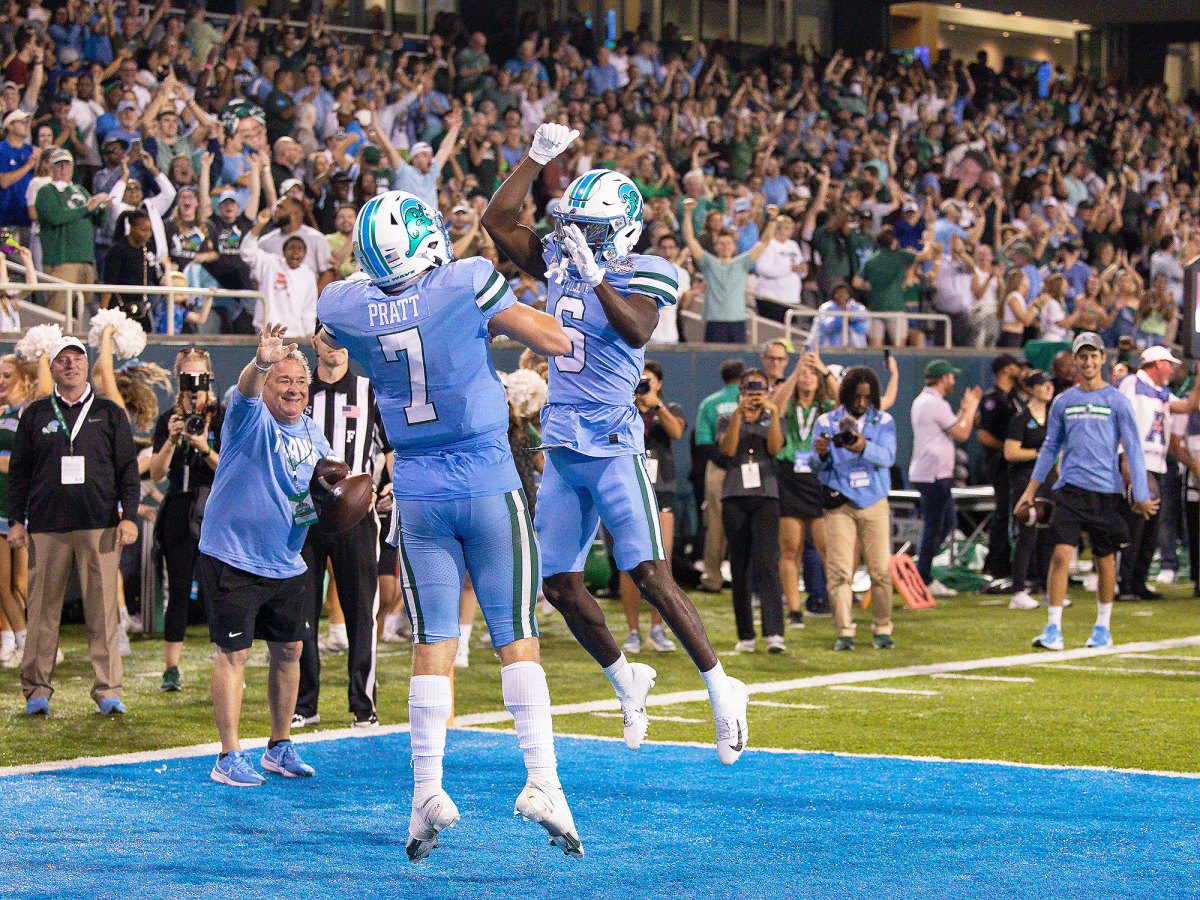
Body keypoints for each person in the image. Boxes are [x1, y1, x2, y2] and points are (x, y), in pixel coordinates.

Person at [318, 190, 583, 859]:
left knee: (432, 638)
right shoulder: (466, 279)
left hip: (416, 486)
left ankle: (426, 791)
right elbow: (556, 340)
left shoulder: (343, 301)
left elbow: (334, 330)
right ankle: (543, 782)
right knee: (515, 635)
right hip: (485, 475)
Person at [484, 123, 749, 765]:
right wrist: (538, 158)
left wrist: (595, 271)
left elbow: (635, 328)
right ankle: (625, 677)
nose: (583, 235)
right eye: (578, 224)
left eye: (596, 227)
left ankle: (723, 690)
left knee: (650, 575)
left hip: (612, 441)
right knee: (559, 585)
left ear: (625, 228)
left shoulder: (650, 269)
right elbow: (498, 219)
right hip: (564, 443)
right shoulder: (562, 258)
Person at [196, 324, 333, 786]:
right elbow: (248, 391)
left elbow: (327, 488)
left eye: (300, 383)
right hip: (233, 556)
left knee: (290, 650)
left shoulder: (315, 434)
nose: (293, 389)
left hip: (288, 560)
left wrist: (359, 498)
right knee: (233, 653)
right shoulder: (248, 417)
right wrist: (260, 364)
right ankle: (228, 755)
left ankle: (279, 746)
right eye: (283, 381)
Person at [7, 336, 139, 715]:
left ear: (86, 365)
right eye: (62, 360)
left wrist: (128, 515)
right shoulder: (34, 414)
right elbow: (18, 473)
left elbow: (127, 470)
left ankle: (108, 690)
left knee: (103, 614)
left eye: (77, 359)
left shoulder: (110, 413)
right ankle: (36, 691)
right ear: (52, 368)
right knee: (43, 614)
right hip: (46, 528)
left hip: (99, 527)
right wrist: (17, 521)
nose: (70, 366)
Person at [1016, 332, 1156, 651]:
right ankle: (1053, 628)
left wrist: (1142, 491)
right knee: (1061, 555)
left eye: (1094, 356)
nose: (1089, 361)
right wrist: (1031, 490)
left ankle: (1102, 628)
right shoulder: (1063, 401)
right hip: (1070, 491)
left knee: (1105, 560)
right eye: (1083, 356)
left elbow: (1132, 446)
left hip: (1107, 493)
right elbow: (1051, 447)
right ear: (1075, 360)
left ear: (1103, 359)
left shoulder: (1118, 400)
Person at [293, 328, 392, 729]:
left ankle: (363, 706)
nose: (333, 345)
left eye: (340, 337)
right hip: (303, 513)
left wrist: (391, 489)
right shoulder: (296, 390)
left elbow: (392, 449)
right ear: (313, 342)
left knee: (360, 611)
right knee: (299, 612)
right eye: (325, 336)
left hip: (356, 515)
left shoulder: (371, 390)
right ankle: (304, 704)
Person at [147, 348, 223, 692]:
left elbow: (229, 470)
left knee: (221, 589)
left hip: (216, 508)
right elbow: (157, 472)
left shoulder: (221, 417)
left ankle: (226, 660)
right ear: (178, 380)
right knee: (177, 589)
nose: (194, 386)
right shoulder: (169, 419)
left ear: (209, 377)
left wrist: (203, 446)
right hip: (178, 508)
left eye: (199, 377)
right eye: (187, 378)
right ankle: (172, 667)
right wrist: (174, 439)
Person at [811, 366, 897, 650]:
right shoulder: (826, 420)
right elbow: (814, 465)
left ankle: (882, 629)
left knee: (881, 571)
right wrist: (821, 454)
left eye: (867, 397)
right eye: (856, 397)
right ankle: (844, 632)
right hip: (841, 502)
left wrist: (863, 447)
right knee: (839, 571)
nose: (861, 403)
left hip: (874, 501)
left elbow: (887, 457)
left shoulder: (883, 420)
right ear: (846, 394)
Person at [1115, 346, 1200, 602]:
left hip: (1157, 463)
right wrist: (1125, 459)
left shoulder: (1162, 393)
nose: (1173, 369)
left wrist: (1198, 379)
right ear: (1156, 363)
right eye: (1169, 364)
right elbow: (1121, 417)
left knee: (1150, 529)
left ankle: (1138, 583)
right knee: (1133, 526)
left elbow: (1188, 407)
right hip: (1137, 460)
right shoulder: (1132, 383)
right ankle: (1124, 584)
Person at [717, 368, 785, 652]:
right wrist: (738, 415)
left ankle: (774, 633)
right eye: (749, 390)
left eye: (759, 390)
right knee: (740, 565)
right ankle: (745, 634)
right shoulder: (726, 418)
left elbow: (776, 448)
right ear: (741, 392)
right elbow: (729, 450)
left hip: (766, 495)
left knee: (768, 562)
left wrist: (774, 415)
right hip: (735, 496)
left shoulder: (772, 417)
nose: (754, 395)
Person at [619, 360, 684, 655]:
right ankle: (633, 631)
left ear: (659, 383)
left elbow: (677, 432)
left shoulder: (669, 408)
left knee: (662, 560)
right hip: (629, 488)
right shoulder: (621, 407)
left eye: (649, 380)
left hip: (662, 491)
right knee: (629, 560)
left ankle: (657, 628)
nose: (644, 385)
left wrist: (656, 406)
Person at [908, 360, 982, 596]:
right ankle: (923, 577)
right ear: (943, 379)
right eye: (952, 377)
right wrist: (970, 409)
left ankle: (922, 568)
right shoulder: (934, 403)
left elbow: (951, 427)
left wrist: (962, 410)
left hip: (930, 474)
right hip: (933, 476)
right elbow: (962, 432)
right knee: (935, 527)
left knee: (945, 524)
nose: (954, 381)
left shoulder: (927, 401)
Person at [771, 351, 834, 625]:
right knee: (790, 548)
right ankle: (794, 610)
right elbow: (773, 405)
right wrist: (796, 372)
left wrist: (824, 369)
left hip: (818, 477)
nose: (807, 378)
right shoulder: (788, 403)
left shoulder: (827, 407)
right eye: (803, 374)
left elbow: (846, 402)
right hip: (790, 477)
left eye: (812, 374)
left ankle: (835, 602)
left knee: (827, 547)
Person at [680, 195, 778, 343]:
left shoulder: (742, 262)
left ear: (734, 246)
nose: (725, 246)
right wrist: (687, 213)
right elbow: (690, 239)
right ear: (715, 246)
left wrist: (772, 220)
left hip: (737, 321)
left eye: (728, 243)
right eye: (721, 243)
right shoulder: (708, 262)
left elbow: (764, 242)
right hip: (714, 321)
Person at [0, 352, 43, 668]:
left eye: (7, 376)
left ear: (25, 380)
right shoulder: (3, 413)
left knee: (21, 583)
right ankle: (22, 641)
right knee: (3, 583)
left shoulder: (29, 414)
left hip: (21, 508)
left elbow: (24, 464)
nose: (1, 381)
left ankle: (40, 641)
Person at [35, 147, 110, 312]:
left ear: (72, 167)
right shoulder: (46, 192)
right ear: (51, 168)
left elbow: (97, 220)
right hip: (62, 261)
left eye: (66, 164)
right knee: (58, 309)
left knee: (86, 308)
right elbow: (56, 217)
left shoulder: (80, 190)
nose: (63, 169)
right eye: (58, 165)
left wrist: (102, 209)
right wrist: (87, 208)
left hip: (86, 260)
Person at [692, 358, 744, 593]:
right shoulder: (751, 400)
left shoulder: (709, 403)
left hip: (718, 468)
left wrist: (724, 460)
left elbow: (702, 442)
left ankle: (712, 578)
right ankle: (744, 578)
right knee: (747, 522)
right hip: (748, 466)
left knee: (715, 524)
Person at [1005, 370, 1054, 610]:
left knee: (1047, 537)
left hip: (1049, 482)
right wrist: (1040, 455)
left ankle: (1048, 590)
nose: (1048, 388)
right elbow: (1010, 452)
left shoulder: (1054, 417)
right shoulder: (1020, 419)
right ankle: (1018, 590)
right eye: (1043, 384)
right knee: (1027, 536)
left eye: (1049, 384)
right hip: (1026, 481)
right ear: (1031, 389)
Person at [975, 353, 1023, 585]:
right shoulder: (992, 399)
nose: (1018, 369)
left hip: (1011, 463)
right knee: (1003, 512)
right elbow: (983, 435)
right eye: (1014, 365)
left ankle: (1005, 562)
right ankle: (995, 564)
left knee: (1009, 512)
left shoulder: (1011, 397)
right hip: (999, 463)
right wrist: (1008, 448)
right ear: (1004, 369)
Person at [241, 207, 319, 337]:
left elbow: (309, 310)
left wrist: (309, 334)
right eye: (291, 248)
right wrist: (259, 225)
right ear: (283, 252)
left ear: (305, 255)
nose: (295, 252)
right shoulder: (270, 263)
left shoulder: (308, 275)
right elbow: (247, 252)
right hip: (267, 332)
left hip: (296, 335)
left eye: (300, 249)